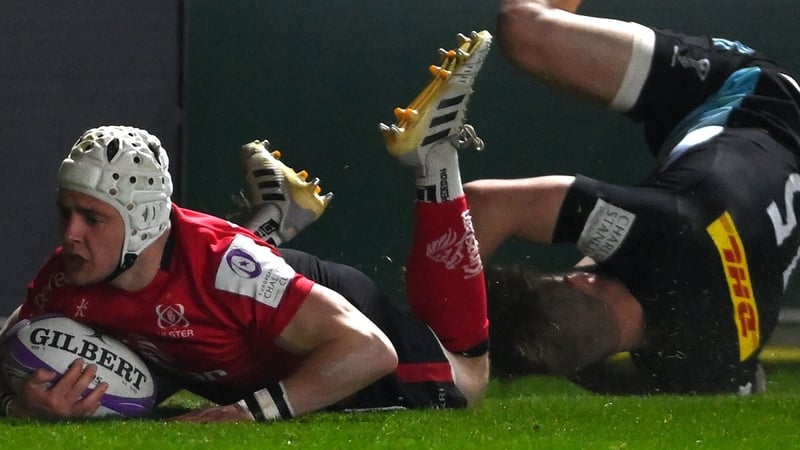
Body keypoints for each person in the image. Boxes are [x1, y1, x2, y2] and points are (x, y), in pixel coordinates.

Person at [0, 30, 493, 420]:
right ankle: (274, 219)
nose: (70, 234)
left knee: (469, 379)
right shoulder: (69, 274)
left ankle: (435, 159)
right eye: (66, 212)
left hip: (335, 312)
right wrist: (19, 404)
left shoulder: (226, 266)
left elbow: (371, 351)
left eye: (92, 218)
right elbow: (10, 342)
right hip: (237, 293)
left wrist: (250, 412)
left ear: (143, 219)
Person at [467, 0, 800, 394]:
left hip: (746, 175)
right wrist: (446, 335)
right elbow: (486, 203)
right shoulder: (662, 232)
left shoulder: (709, 366)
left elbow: (747, 385)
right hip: (759, 102)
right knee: (523, 29)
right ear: (578, 281)